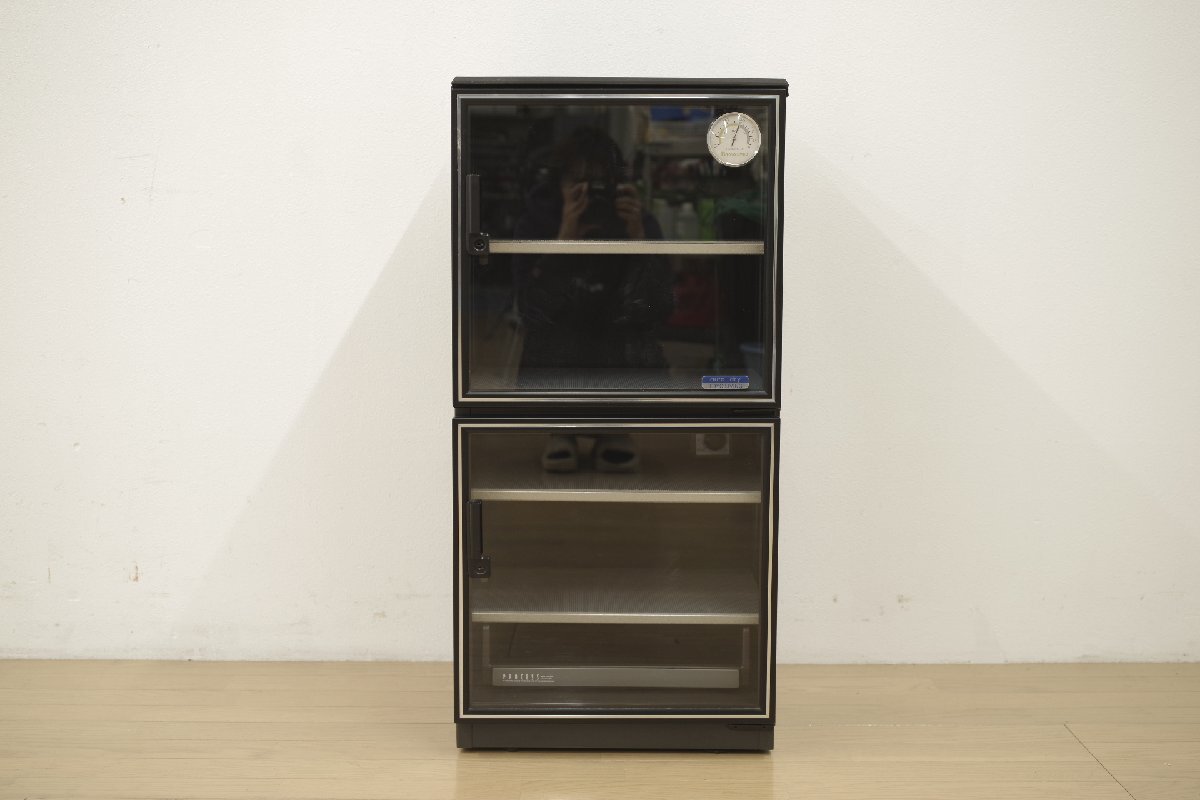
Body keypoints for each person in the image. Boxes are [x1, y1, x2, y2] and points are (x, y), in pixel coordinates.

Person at [513, 127, 673, 379]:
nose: (591, 195)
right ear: (558, 185)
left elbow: (658, 309)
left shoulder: (635, 222)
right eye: (579, 183)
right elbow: (531, 313)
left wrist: (639, 243)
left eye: (601, 185)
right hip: (555, 367)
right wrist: (562, 245)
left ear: (617, 186)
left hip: (626, 365)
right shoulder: (537, 222)